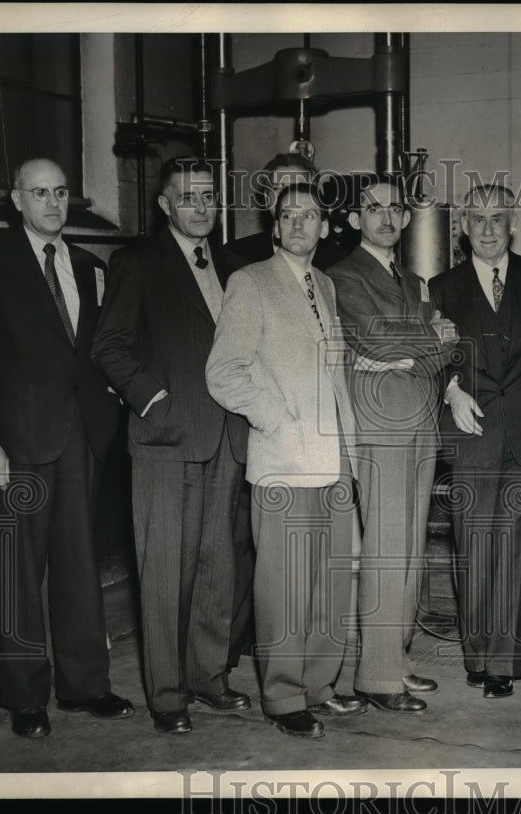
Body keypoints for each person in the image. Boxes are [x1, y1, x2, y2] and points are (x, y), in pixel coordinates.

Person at [0, 157, 133, 739]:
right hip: (18, 441)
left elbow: (91, 351)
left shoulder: (84, 264)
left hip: (81, 435)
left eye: (60, 192)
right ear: (16, 199)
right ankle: (26, 697)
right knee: (20, 572)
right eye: (39, 193)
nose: (52, 203)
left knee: (79, 564)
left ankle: (85, 685)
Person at [91, 156, 253, 735]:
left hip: (227, 439)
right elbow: (108, 346)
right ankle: (166, 695)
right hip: (164, 440)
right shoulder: (136, 262)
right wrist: (153, 399)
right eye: (187, 197)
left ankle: (208, 678)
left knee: (217, 567)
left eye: (209, 195)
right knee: (164, 571)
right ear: (164, 205)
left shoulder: (234, 267)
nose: (201, 206)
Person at [206, 182, 367, 739]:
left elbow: (336, 373)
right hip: (282, 463)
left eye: (310, 215)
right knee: (283, 587)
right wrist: (278, 418)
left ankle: (320, 687)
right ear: (275, 227)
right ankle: (281, 697)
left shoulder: (324, 284)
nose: (299, 223)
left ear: (326, 228)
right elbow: (224, 372)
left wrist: (350, 447)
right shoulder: (249, 283)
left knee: (328, 585)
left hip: (332, 461)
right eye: (288, 215)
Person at [326, 176, 457, 714]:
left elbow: (417, 343)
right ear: (355, 220)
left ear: (405, 219)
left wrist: (422, 349)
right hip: (382, 421)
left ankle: (397, 661)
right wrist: (436, 344)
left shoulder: (410, 278)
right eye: (372, 208)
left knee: (408, 547)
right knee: (385, 547)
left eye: (394, 209)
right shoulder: (342, 275)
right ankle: (376, 677)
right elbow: (382, 341)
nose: (384, 217)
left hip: (419, 419)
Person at [429, 184, 521, 700]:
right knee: (474, 547)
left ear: (514, 223)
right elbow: (427, 357)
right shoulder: (440, 286)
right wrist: (451, 388)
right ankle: (476, 656)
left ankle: (503, 664)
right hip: (471, 435)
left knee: (514, 547)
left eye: (497, 218)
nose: (487, 228)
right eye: (477, 219)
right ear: (463, 226)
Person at [223, 152, 351, 271]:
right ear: (267, 199)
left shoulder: (339, 261)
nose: (287, 196)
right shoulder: (236, 255)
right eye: (278, 187)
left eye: (298, 188)